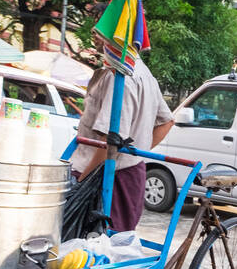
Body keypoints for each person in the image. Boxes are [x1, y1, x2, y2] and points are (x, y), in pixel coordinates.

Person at [68, 41, 173, 232]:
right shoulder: (144, 74)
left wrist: (82, 183)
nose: (95, 34)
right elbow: (166, 121)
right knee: (112, 244)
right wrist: (135, 153)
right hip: (130, 172)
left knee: (95, 247)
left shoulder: (119, 75)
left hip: (109, 175)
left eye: (99, 29)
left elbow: (110, 142)